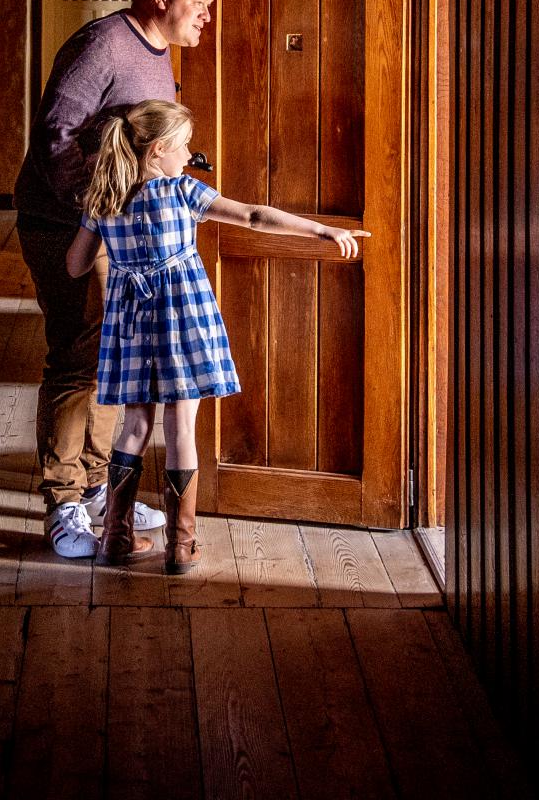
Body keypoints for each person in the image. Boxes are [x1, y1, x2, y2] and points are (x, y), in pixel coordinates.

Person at [66, 100, 369, 572]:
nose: (189, 156)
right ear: (160, 149)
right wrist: (321, 229)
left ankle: (115, 539)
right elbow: (252, 215)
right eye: (184, 147)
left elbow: (75, 265)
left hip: (129, 321)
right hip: (182, 316)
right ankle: (180, 546)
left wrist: (105, 235)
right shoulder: (184, 191)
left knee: (134, 425)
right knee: (180, 427)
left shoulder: (104, 198)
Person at [13, 0, 216, 559]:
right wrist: (106, 211)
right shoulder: (102, 45)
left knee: (111, 361)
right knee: (77, 360)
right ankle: (64, 502)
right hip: (65, 227)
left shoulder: (156, 57)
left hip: (113, 235)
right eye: (199, 4)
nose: (206, 17)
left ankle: (99, 486)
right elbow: (55, 136)